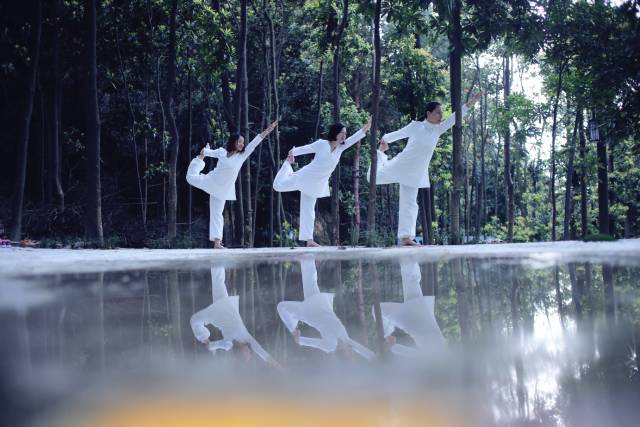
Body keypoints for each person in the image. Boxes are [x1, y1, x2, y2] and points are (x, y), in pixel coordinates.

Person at [369, 94, 481, 245]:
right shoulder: (416, 126)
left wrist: (468, 105)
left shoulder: (437, 130)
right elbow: (399, 134)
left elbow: (453, 119)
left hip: (416, 173)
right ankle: (381, 156)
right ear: (428, 113)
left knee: (410, 204)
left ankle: (406, 238)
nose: (441, 115)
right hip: (402, 165)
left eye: (441, 113)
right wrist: (384, 141)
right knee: (372, 178)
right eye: (438, 112)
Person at [273, 118, 371, 247]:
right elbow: (306, 148)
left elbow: (355, 137)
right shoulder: (322, 144)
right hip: (305, 176)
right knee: (277, 186)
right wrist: (292, 153)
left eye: (345, 134)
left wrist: (368, 126)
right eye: (342, 133)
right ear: (335, 133)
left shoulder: (341, 148)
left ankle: (309, 240)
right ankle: (287, 166)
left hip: (317, 183)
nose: (345, 136)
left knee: (309, 211)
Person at [186, 121, 277, 248]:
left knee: (217, 213)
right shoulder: (222, 152)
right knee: (190, 177)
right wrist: (204, 152)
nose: (242, 144)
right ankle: (198, 163)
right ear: (233, 141)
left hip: (223, 190)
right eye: (239, 141)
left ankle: (217, 242)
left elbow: (254, 144)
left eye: (243, 142)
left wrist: (267, 131)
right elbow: (207, 152)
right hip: (211, 181)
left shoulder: (241, 156)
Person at [277, 256, 374, 360]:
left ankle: (293, 329)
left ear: (343, 352)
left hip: (310, 313)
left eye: (350, 353)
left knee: (282, 306)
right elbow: (362, 350)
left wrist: (300, 340)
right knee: (310, 282)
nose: (351, 350)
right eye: (352, 352)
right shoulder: (346, 341)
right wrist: (375, 358)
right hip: (320, 306)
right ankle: (307, 258)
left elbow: (315, 343)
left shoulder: (330, 346)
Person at [190, 266, 278, 365]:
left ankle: (217, 256)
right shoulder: (247, 339)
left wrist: (208, 344)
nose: (249, 352)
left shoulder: (228, 345)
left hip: (216, 316)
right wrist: (280, 369)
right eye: (249, 353)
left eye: (247, 354)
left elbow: (210, 346)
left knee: (194, 320)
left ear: (240, 354)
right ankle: (217, 255)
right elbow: (263, 354)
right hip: (225, 307)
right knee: (218, 282)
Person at [376, 260, 446, 357]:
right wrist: (388, 336)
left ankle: (408, 254)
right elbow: (406, 352)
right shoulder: (434, 359)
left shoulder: (443, 356)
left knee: (412, 281)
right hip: (413, 320)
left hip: (423, 313)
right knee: (378, 310)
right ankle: (408, 254)